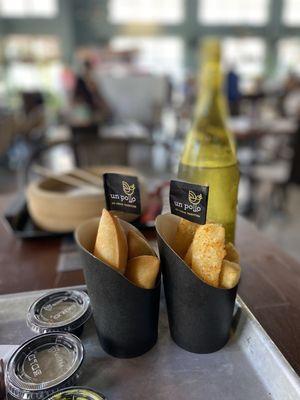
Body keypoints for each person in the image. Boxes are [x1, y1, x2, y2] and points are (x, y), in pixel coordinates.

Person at [70, 60, 112, 126]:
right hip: (86, 110)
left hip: (92, 109)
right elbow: (77, 97)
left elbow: (97, 95)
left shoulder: (92, 80)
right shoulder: (81, 80)